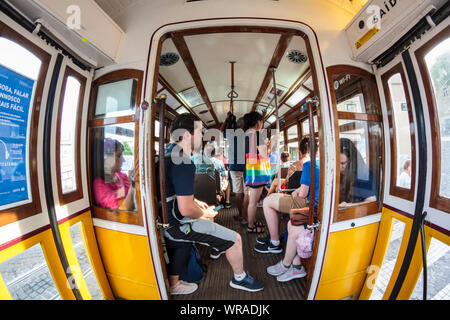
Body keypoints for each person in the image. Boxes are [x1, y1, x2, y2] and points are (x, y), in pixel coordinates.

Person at [162, 113, 264, 295]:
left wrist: (198, 204)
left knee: (209, 222)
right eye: (200, 131)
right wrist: (205, 213)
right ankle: (239, 278)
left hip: (167, 221)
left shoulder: (168, 154)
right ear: (186, 135)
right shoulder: (183, 161)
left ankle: (175, 282)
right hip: (178, 225)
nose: (202, 136)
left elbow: (177, 196)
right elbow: (185, 209)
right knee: (235, 239)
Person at [255, 138, 319, 253]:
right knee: (273, 201)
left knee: (268, 201)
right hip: (310, 198)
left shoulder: (304, 165)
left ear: (301, 150)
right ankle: (274, 236)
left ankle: (274, 243)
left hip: (304, 199)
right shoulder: (320, 163)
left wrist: (296, 191)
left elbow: (300, 191)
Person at [243, 111, 274, 234]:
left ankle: (253, 219)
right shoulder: (256, 135)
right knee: (253, 201)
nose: (262, 124)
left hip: (250, 170)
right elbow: (264, 154)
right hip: (257, 172)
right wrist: (270, 145)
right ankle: (250, 226)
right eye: (261, 121)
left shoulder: (246, 134)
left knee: (252, 200)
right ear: (257, 122)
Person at [92, 138, 135, 211]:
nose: (123, 160)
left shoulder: (122, 176)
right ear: (105, 157)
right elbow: (124, 209)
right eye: (119, 155)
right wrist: (133, 184)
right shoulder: (99, 185)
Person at [338, 138, 377, 209]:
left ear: (351, 161)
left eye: (342, 163)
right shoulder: (340, 173)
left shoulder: (363, 174)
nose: (339, 167)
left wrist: (347, 206)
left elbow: (371, 201)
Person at [226, 117, 248, 225]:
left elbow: (222, 131)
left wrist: (227, 119)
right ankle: (246, 215)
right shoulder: (248, 135)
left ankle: (241, 215)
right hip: (247, 166)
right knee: (247, 192)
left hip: (234, 167)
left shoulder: (231, 134)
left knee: (239, 192)